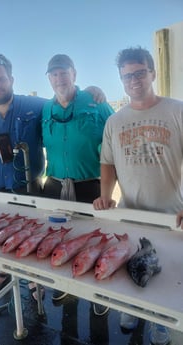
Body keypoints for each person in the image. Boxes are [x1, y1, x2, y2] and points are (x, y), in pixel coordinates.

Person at [0, 53, 106, 299]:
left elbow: (63, 97)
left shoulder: (37, 106)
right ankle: (2, 271)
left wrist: (91, 90)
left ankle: (31, 277)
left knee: (30, 236)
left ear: (11, 79)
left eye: (1, 79)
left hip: (27, 191)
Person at [93, 46, 183, 345]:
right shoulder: (114, 122)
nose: (134, 80)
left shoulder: (177, 110)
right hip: (130, 214)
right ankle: (132, 309)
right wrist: (105, 197)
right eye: (127, 75)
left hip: (172, 214)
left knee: (170, 279)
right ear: (121, 79)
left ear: (152, 73)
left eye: (140, 72)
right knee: (132, 269)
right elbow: (108, 163)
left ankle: (162, 321)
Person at [42, 54, 114, 308]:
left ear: (74, 74)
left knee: (95, 240)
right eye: (54, 74)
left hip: (89, 186)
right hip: (53, 186)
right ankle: (64, 286)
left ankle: (99, 294)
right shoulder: (45, 109)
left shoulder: (97, 102)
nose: (59, 78)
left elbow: (117, 139)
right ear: (49, 79)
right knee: (57, 240)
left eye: (64, 72)